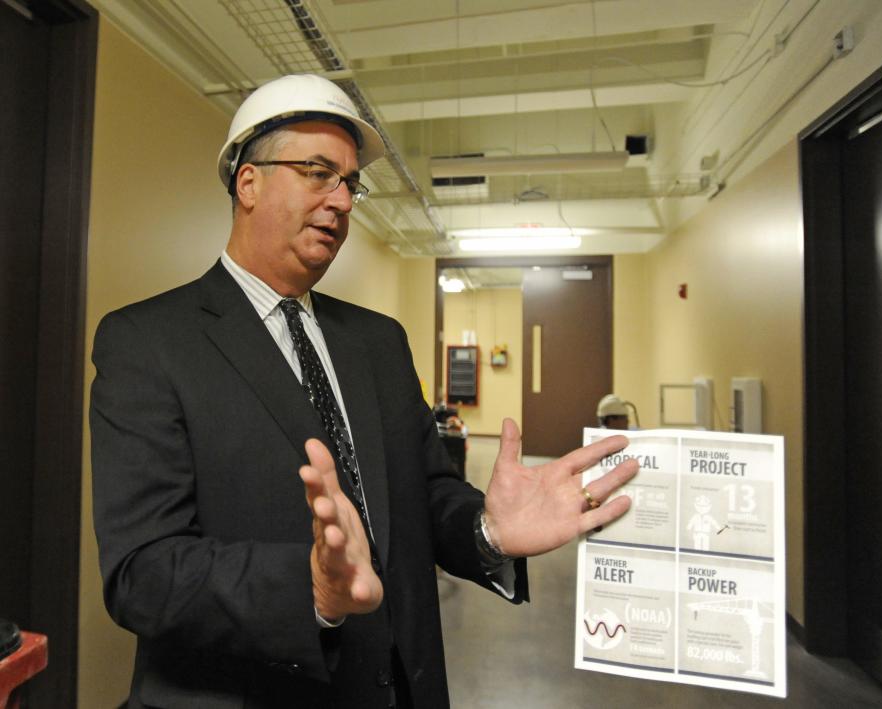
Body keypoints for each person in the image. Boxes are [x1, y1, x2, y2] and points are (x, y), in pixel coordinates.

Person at [90, 74, 639, 709]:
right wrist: (310, 589)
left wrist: (487, 530)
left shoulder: (377, 341)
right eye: (318, 173)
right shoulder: (148, 342)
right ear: (247, 182)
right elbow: (142, 573)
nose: (343, 201)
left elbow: (424, 496)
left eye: (351, 182)